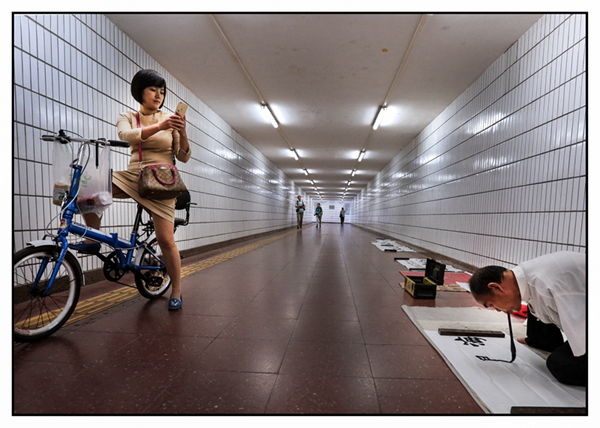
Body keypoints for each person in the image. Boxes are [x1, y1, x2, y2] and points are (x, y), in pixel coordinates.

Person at [70, 69, 191, 311]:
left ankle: (176, 290)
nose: (158, 95)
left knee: (166, 240)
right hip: (134, 176)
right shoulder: (128, 116)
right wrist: (160, 126)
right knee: (90, 186)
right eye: (153, 89)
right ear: (140, 92)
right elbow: (126, 136)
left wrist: (182, 131)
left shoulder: (169, 119)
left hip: (161, 181)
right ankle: (93, 238)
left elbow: (183, 156)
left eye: (162, 91)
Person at [468, 251, 586, 386]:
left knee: (560, 365)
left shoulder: (547, 285)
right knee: (534, 305)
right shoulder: (526, 275)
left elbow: (583, 334)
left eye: (491, 304)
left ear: (495, 287)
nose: (498, 310)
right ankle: (541, 341)